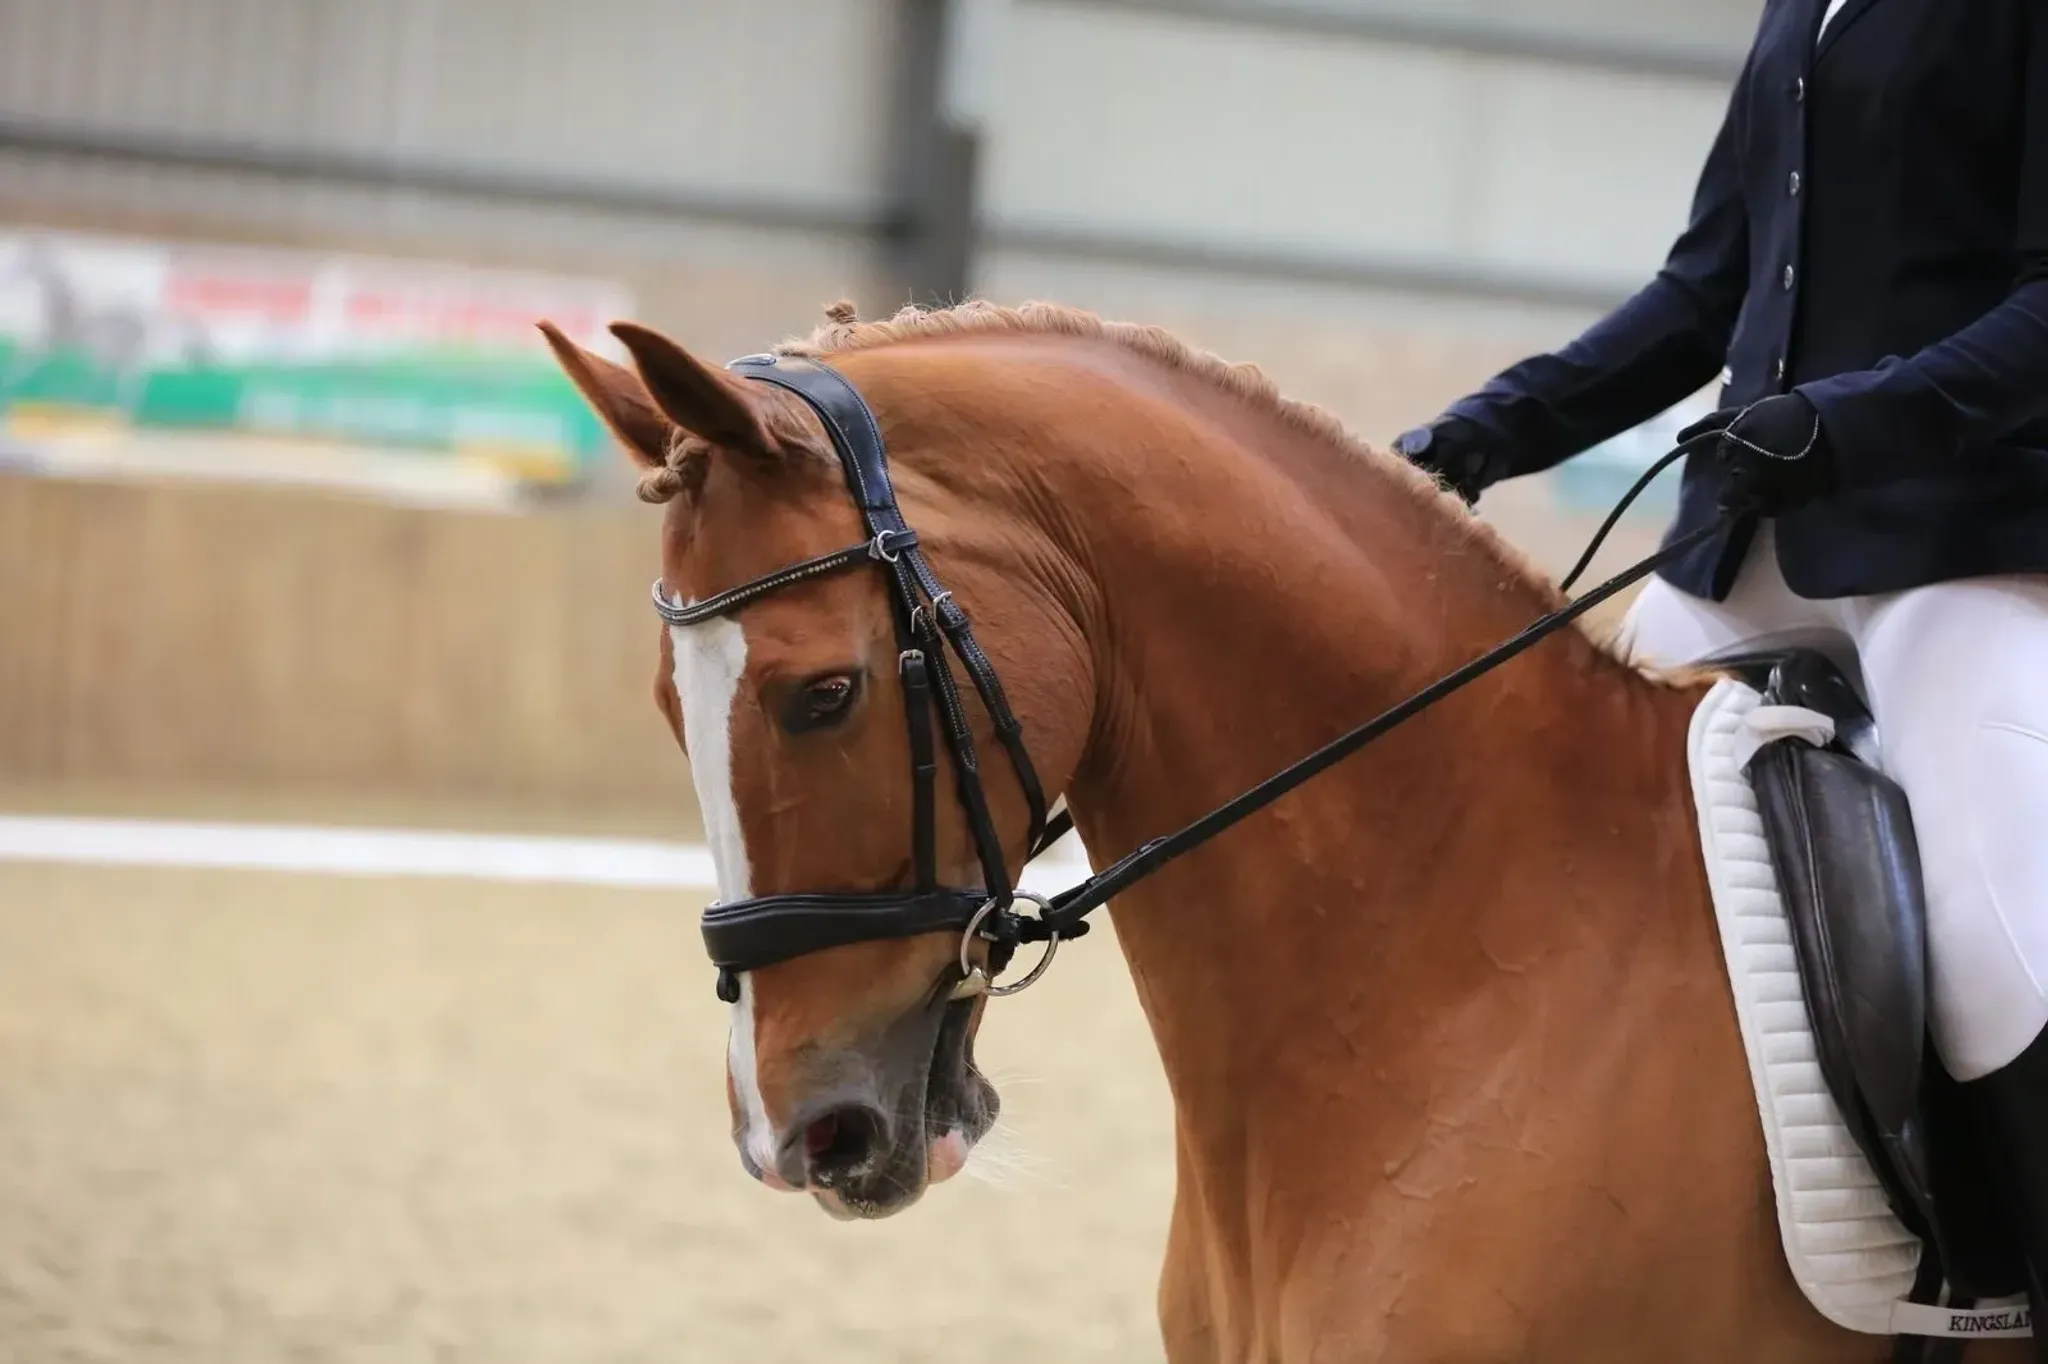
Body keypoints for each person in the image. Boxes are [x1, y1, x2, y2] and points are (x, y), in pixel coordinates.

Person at [1391, 0, 2048, 1333]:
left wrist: (1859, 426)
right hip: (1744, 539)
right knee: (1537, 842)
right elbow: (1709, 290)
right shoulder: (1803, 7)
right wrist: (1488, 432)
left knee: (1990, 949)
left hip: (1959, 536)